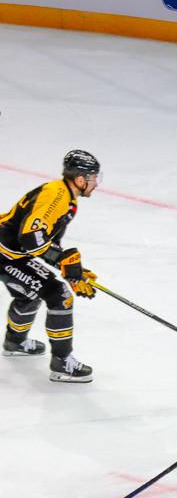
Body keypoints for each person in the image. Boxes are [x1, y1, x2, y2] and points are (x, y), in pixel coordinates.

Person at [1, 150, 100, 383]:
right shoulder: (56, 196)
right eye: (93, 177)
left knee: (31, 293)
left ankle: (15, 342)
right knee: (60, 295)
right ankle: (62, 363)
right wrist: (62, 260)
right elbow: (30, 237)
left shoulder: (67, 197)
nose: (96, 183)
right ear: (80, 179)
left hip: (11, 253)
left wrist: (72, 270)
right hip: (5, 254)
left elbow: (46, 241)